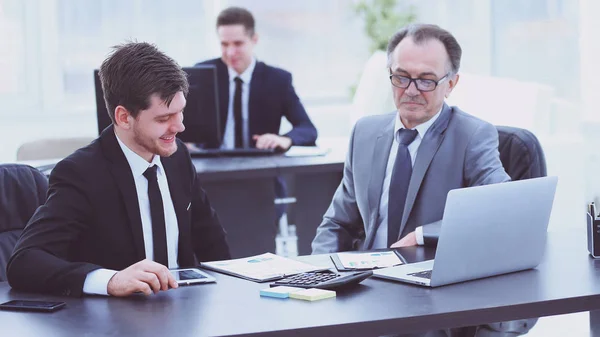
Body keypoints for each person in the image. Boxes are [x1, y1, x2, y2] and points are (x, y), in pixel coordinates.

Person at [312, 23, 533, 337]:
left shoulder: (472, 135)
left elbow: (501, 208)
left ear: (451, 83)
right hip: (364, 289)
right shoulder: (365, 132)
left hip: (430, 295)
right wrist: (318, 273)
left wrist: (423, 235)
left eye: (426, 80)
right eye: (401, 76)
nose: (411, 90)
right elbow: (337, 222)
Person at [7, 42, 231, 297]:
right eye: (163, 118)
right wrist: (110, 280)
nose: (179, 127)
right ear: (124, 117)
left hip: (185, 312)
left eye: (180, 112)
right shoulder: (81, 173)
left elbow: (212, 243)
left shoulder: (176, 157)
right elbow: (24, 262)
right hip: (118, 323)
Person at [195, 6, 317, 151]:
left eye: (238, 43)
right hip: (212, 166)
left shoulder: (278, 80)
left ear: (254, 39)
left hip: (260, 167)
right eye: (224, 44)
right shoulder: (203, 74)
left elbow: (307, 129)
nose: (230, 52)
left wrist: (285, 139)